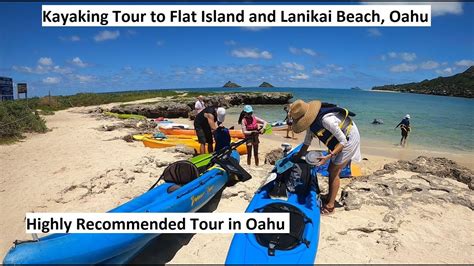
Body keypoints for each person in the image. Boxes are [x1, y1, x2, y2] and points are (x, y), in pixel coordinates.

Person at [289, 100, 361, 215]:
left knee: (334, 171)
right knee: (330, 170)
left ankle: (330, 205)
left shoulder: (326, 120)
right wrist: (297, 156)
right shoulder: (311, 123)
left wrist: (328, 156)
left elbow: (343, 141)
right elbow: (307, 142)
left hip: (349, 138)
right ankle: (329, 195)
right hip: (339, 140)